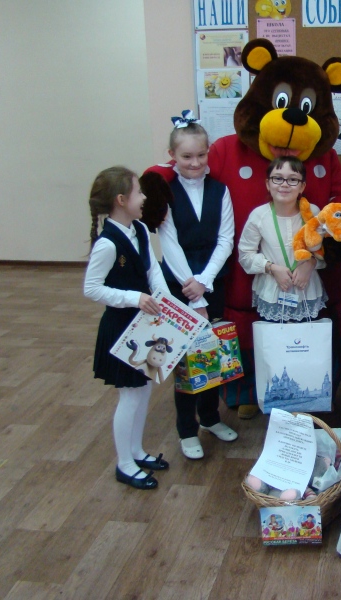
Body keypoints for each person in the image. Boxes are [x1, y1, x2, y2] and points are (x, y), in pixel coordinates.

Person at [84, 167, 169, 490]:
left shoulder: (140, 230)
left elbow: (152, 269)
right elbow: (92, 288)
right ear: (121, 200)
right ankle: (124, 463)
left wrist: (164, 298)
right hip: (121, 327)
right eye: (139, 192)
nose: (144, 197)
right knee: (130, 397)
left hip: (143, 324)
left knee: (143, 389)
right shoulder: (107, 244)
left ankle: (136, 452)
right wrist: (134, 298)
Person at [159, 116, 237, 460]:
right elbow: (169, 242)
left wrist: (204, 282)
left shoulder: (220, 190)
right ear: (172, 155)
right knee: (185, 359)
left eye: (201, 155)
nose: (195, 163)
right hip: (179, 284)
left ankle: (210, 417)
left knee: (212, 352)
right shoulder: (165, 193)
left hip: (212, 279)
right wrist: (192, 288)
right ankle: (186, 429)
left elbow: (226, 239)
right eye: (187, 156)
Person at [238, 156, 327, 321]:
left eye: (293, 179)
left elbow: (328, 250)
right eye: (278, 178)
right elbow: (245, 255)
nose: (284, 184)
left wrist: (311, 264)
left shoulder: (313, 213)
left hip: (307, 289)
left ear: (302, 186)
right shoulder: (259, 215)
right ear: (268, 184)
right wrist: (271, 268)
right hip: (273, 291)